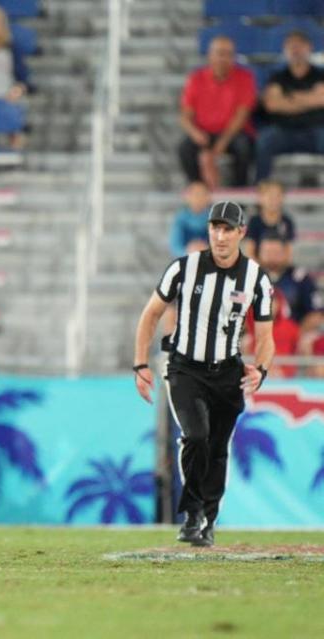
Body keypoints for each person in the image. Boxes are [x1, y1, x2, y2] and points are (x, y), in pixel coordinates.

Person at [133, 201, 274, 547]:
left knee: (217, 448)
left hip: (228, 372)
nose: (220, 235)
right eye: (215, 228)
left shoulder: (256, 277)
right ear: (208, 230)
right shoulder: (184, 268)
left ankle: (209, 517)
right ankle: (193, 512)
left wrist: (263, 369)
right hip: (185, 368)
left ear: (241, 232)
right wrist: (140, 364)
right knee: (195, 436)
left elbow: (266, 335)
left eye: (228, 229)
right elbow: (150, 314)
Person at [178, 36, 256, 188]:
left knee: (244, 148)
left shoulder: (245, 77)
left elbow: (242, 115)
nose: (224, 58)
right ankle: (198, 191)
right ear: (210, 55)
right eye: (220, 53)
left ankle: (239, 196)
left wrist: (223, 142)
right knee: (184, 149)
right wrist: (195, 133)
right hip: (204, 133)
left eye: (229, 54)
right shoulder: (196, 79)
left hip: (233, 133)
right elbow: (185, 116)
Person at [255, 31, 324, 182]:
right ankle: (260, 193)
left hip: (316, 130)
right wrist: (311, 98)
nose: (295, 50)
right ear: (285, 50)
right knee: (264, 141)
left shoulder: (320, 74)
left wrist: (288, 99)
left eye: (300, 46)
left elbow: (322, 100)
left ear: (309, 48)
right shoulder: (277, 77)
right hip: (283, 131)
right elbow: (272, 105)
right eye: (291, 46)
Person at [255, 231, 323, 357]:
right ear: (259, 253)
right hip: (258, 334)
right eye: (267, 252)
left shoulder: (300, 277)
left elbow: (316, 314)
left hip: (296, 334)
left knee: (309, 343)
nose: (271, 257)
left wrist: (293, 335)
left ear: (286, 253)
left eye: (276, 252)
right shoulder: (250, 278)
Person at [243, 179, 295, 258]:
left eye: (277, 196)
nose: (273, 200)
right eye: (269, 196)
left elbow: (288, 254)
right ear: (260, 198)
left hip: (281, 268)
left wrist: (279, 269)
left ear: (283, 197)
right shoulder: (254, 221)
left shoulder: (287, 221)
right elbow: (250, 253)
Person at [169, 180, 211, 257]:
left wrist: (207, 250)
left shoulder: (213, 219)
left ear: (208, 197)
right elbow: (175, 246)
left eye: (202, 194)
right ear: (188, 197)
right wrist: (188, 252)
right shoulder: (181, 219)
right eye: (195, 194)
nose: (199, 198)